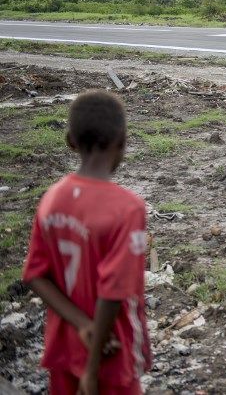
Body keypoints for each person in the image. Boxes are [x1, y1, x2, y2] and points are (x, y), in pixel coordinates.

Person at [23, 90, 151, 395]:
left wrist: (82, 324)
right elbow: (114, 291)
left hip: (65, 346)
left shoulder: (52, 200)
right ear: (123, 141)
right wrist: (91, 371)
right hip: (110, 353)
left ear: (71, 141)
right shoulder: (127, 208)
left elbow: (35, 275)